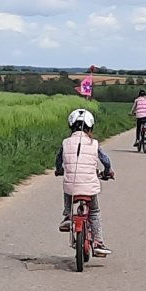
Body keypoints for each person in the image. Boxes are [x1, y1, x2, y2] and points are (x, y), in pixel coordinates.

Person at [54, 108, 114, 255]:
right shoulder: (94, 143)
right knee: (94, 211)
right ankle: (98, 242)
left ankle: (68, 215)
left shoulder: (65, 142)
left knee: (69, 185)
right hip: (89, 186)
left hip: (71, 186)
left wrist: (59, 170)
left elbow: (58, 160)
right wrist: (108, 171)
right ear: (90, 126)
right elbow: (105, 160)